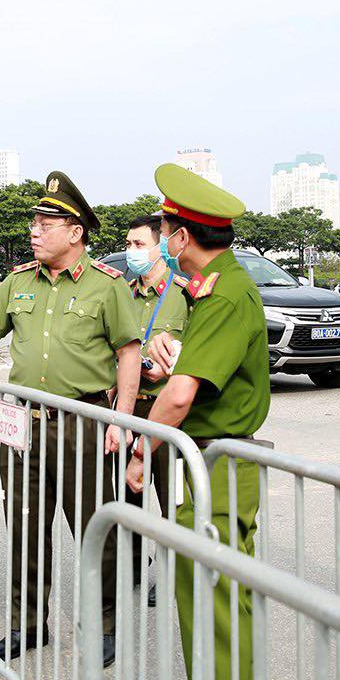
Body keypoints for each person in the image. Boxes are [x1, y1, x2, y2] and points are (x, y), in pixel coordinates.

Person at [0, 170, 141, 668]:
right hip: (21, 424)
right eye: (35, 221)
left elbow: (129, 355)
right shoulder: (17, 282)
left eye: (47, 221)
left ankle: (105, 622)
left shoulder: (106, 287)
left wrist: (122, 419)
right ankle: (29, 623)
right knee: (25, 527)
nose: (35, 229)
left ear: (76, 232)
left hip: (84, 423)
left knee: (95, 529)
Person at [128, 163, 268, 680]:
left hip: (222, 463)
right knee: (209, 611)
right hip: (209, 461)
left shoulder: (228, 291)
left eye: (163, 232)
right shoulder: (214, 286)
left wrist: (139, 446)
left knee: (214, 616)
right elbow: (189, 378)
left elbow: (183, 397)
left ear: (181, 237)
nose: (160, 243)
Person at [118, 213, 190, 603]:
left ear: (160, 247)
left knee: (170, 495)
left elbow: (196, 349)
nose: (132, 252)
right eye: (128, 245)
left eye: (140, 244)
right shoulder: (122, 294)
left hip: (166, 412)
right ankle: (130, 564)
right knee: (125, 494)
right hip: (128, 408)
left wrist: (170, 363)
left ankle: (173, 571)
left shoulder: (184, 293)